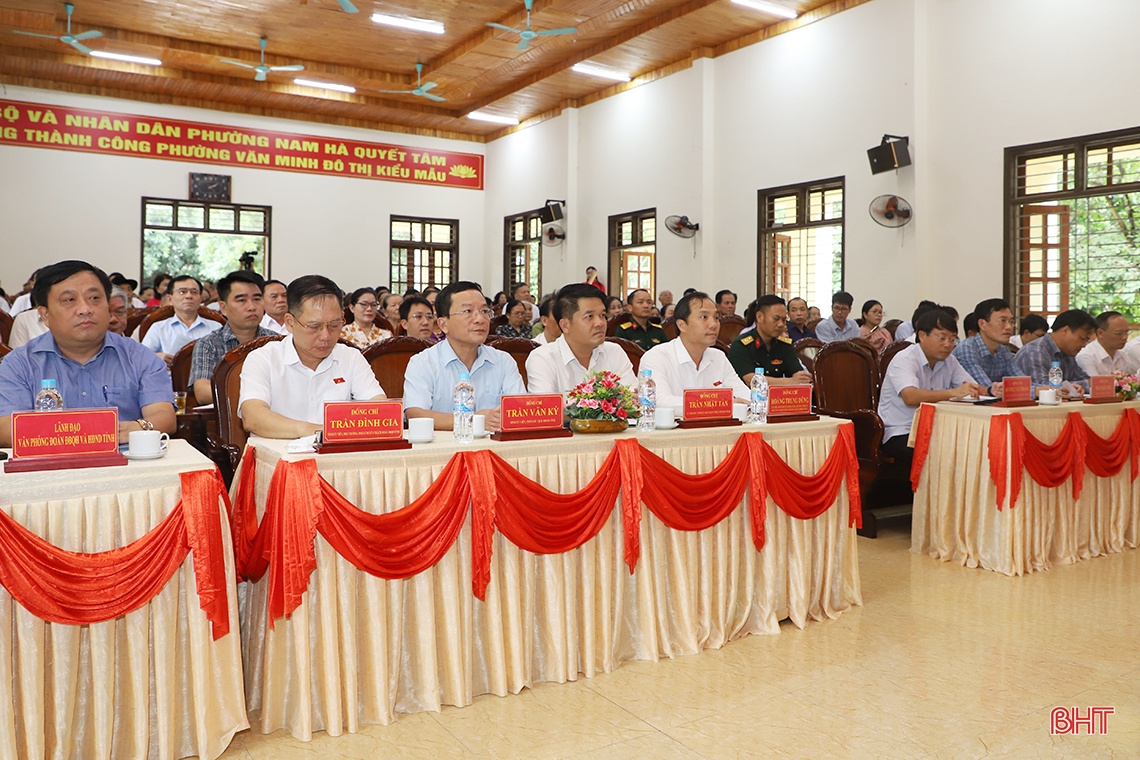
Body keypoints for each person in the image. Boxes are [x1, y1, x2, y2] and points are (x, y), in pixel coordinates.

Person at [0, 260, 174, 447]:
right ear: (45, 315)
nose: (85, 309)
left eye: (94, 298)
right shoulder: (19, 364)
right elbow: (7, 429)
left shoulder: (139, 356)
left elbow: (164, 417)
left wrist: (137, 428)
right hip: (51, 470)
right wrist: (88, 434)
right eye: (69, 300)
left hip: (127, 465)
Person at [239, 275, 386, 438]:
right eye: (314, 326)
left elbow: (380, 409)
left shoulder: (350, 357)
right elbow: (253, 418)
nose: (325, 336)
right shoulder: (263, 358)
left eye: (335, 325)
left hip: (336, 458)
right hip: (280, 458)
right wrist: (317, 432)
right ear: (290, 323)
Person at [404, 281, 525, 433]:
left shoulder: (503, 361)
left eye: (484, 311)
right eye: (468, 311)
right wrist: (474, 421)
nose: (480, 319)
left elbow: (519, 411)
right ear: (443, 324)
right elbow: (416, 415)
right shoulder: (422, 363)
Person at [877, 309, 984, 469]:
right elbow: (910, 397)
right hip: (901, 432)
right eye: (942, 338)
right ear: (922, 335)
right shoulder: (905, 358)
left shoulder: (950, 360)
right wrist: (952, 393)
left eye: (952, 339)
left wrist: (993, 390)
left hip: (935, 428)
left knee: (973, 445)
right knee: (942, 452)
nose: (948, 345)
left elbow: (970, 387)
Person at [639, 291, 751, 410]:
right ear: (682, 325)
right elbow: (659, 401)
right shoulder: (656, 357)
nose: (714, 324)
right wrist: (720, 403)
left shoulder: (718, 357)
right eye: (704, 317)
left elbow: (745, 395)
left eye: (716, 318)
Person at [526, 283, 635, 395]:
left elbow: (633, 401)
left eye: (602, 315)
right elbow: (546, 410)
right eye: (589, 317)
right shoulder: (543, 359)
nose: (600, 323)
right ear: (565, 325)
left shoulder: (614, 352)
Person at [189, 271, 277, 406]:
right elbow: (203, 393)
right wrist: (255, 393)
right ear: (223, 308)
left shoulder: (276, 341)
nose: (252, 307)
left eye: (257, 299)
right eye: (242, 300)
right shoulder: (209, 344)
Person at [727, 295, 813, 386]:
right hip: (749, 397)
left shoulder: (784, 344)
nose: (781, 324)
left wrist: (801, 378)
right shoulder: (741, 344)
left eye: (784, 320)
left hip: (779, 398)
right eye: (776, 319)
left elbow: (798, 375)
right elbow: (750, 380)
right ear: (760, 317)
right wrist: (789, 381)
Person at [1011, 309, 1096, 397]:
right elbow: (1045, 389)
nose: (1084, 345)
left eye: (1087, 340)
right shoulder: (1035, 352)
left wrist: (1085, 384)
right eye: (1082, 339)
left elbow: (1084, 380)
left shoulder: (1068, 352)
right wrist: (1079, 385)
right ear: (1065, 331)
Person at [141, 275, 221, 366]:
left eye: (194, 292)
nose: (189, 296)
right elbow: (141, 358)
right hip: (168, 378)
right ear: (169, 299)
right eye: (182, 292)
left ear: (200, 299)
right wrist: (156, 357)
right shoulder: (159, 328)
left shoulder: (216, 327)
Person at [951, 298, 1018, 395]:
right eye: (1002, 320)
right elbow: (985, 389)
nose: (1009, 327)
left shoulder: (1003, 352)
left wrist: (1041, 390)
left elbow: (1021, 383)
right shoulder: (967, 349)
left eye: (1011, 321)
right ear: (982, 324)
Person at [1076, 311, 1136, 377]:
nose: (1125, 337)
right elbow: (1094, 385)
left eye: (1127, 332)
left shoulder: (1123, 355)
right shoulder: (1086, 357)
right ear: (1100, 333)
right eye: (1119, 333)